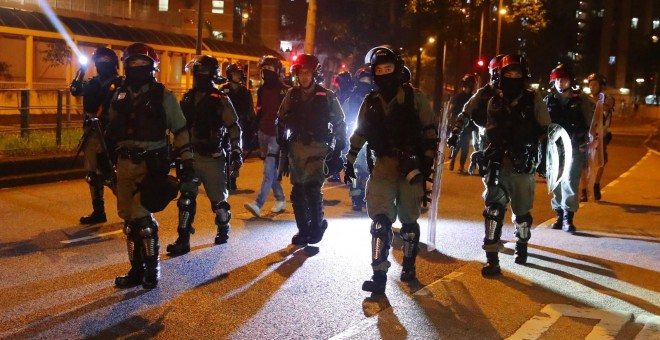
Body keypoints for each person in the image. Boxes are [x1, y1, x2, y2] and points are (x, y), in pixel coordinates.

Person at [344, 47, 437, 294]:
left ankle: (408, 264)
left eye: (388, 69)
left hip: (410, 169)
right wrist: (349, 160)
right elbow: (359, 133)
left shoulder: (416, 98)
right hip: (382, 167)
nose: (384, 74)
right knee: (379, 224)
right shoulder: (370, 102)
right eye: (379, 70)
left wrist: (426, 162)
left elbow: (430, 132)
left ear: (397, 69)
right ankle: (379, 274)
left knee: (408, 222)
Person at [106, 43, 193, 289]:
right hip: (123, 163)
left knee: (143, 220)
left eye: (142, 64)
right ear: (126, 66)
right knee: (129, 223)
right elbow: (110, 130)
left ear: (151, 67)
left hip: (151, 163)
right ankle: (135, 271)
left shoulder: (163, 96)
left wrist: (186, 162)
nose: (137, 68)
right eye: (133, 63)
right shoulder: (118, 94)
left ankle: (152, 270)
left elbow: (180, 130)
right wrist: (104, 161)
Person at [478, 54, 551, 275]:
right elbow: (488, 133)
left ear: (524, 75)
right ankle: (492, 260)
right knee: (492, 210)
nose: (512, 77)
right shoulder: (494, 101)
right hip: (498, 163)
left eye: (517, 73)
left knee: (522, 215)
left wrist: (543, 162)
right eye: (508, 73)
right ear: (501, 75)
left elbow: (546, 131)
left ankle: (522, 244)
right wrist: (481, 154)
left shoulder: (533, 99)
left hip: (523, 165)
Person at [166, 55, 242, 256]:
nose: (198, 77)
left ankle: (223, 225)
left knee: (218, 203)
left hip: (213, 157)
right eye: (196, 73)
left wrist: (236, 151)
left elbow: (233, 127)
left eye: (202, 73)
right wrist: (174, 150)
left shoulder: (220, 99)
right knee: (186, 199)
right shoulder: (188, 98)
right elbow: (180, 127)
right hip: (190, 156)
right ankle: (183, 239)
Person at [277, 54, 346, 246]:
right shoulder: (291, 95)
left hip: (318, 148)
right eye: (300, 73)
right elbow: (280, 120)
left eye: (307, 72)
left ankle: (316, 228)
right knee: (297, 192)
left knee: (313, 188)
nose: (303, 77)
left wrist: (338, 150)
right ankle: (303, 230)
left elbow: (340, 123)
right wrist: (282, 144)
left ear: (314, 74)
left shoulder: (327, 96)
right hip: (296, 149)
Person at [70, 47, 123, 224]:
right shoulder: (92, 83)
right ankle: (98, 211)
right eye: (99, 62)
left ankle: (130, 210)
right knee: (92, 174)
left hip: (112, 134)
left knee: (111, 174)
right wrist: (81, 70)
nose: (101, 65)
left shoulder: (120, 84)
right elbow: (75, 90)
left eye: (104, 62)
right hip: (92, 133)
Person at [545, 64, 593, 234]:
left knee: (571, 180)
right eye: (557, 79)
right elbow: (542, 124)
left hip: (575, 145)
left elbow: (590, 124)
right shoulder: (548, 100)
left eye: (564, 79)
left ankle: (568, 217)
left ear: (570, 81)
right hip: (554, 147)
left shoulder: (581, 100)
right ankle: (559, 215)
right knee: (556, 180)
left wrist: (588, 143)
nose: (560, 82)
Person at [244, 55, 289, 217]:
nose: (266, 72)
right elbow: (260, 110)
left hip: (276, 135)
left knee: (268, 169)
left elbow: (288, 115)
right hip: (263, 132)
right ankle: (280, 199)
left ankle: (258, 203)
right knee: (270, 170)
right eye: (264, 69)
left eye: (269, 69)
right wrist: (255, 129)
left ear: (277, 71)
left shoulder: (284, 89)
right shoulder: (262, 89)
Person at [448, 55, 505, 177]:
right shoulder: (482, 94)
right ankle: (458, 161)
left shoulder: (526, 97)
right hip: (486, 138)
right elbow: (465, 112)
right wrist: (456, 130)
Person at [342, 67, 374, 211]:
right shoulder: (351, 99)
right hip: (354, 134)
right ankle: (355, 198)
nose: (365, 83)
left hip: (371, 137)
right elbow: (342, 115)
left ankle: (369, 195)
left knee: (372, 168)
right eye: (362, 80)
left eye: (367, 80)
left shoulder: (375, 99)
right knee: (353, 166)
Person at [219, 63, 255, 190]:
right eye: (235, 73)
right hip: (224, 126)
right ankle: (225, 177)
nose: (238, 76)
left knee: (237, 152)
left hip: (239, 126)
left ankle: (233, 177)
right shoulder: (223, 90)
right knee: (224, 151)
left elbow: (250, 109)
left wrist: (253, 123)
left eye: (239, 74)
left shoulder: (244, 91)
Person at [579, 73, 614, 201]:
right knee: (583, 162)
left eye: (595, 84)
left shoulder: (607, 98)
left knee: (600, 161)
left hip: (601, 135)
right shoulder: (585, 99)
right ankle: (583, 190)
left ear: (601, 86)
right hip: (585, 135)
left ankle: (596, 184)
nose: (592, 87)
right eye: (590, 85)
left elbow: (605, 107)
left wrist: (588, 98)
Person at [448, 74, 477, 173]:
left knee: (463, 145)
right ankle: (455, 162)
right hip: (461, 124)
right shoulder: (461, 96)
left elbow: (451, 109)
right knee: (460, 144)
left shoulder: (466, 97)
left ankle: (459, 164)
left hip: (465, 125)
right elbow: (451, 109)